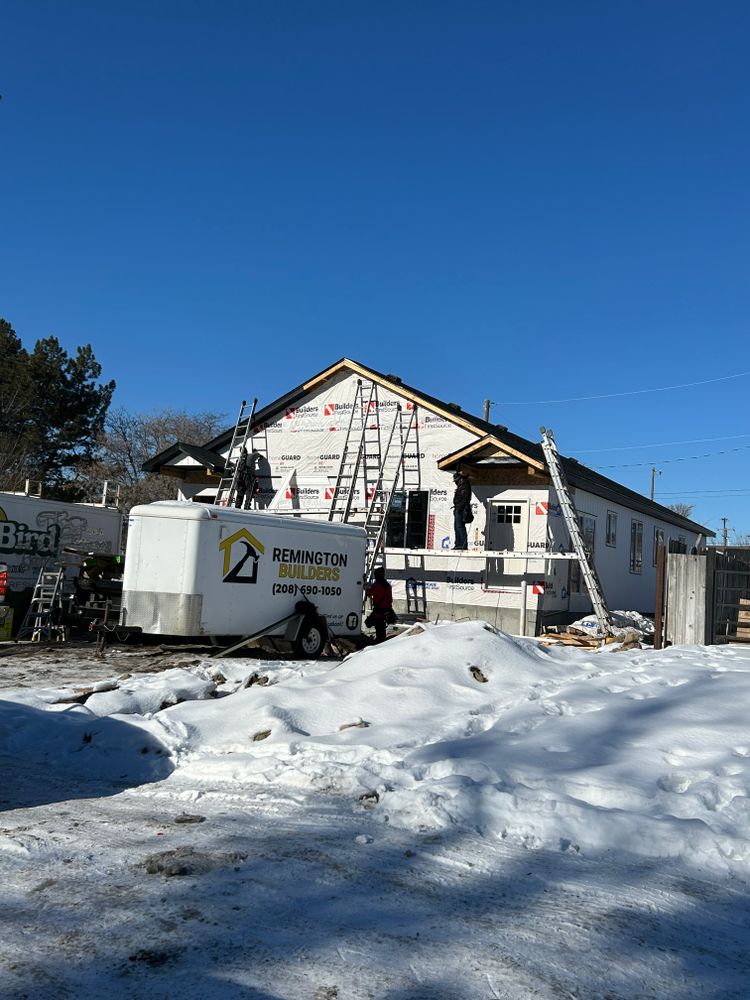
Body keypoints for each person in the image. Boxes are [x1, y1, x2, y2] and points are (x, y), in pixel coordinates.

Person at [365, 566, 393, 643]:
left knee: (373, 624)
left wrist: (366, 587)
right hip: (386, 609)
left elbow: (369, 593)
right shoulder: (388, 585)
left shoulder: (376, 585)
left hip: (378, 609)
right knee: (381, 626)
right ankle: (381, 639)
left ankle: (379, 641)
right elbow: (390, 599)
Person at [452, 470, 473, 550]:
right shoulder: (461, 486)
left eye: (456, 481)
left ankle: (463, 545)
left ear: (460, 479)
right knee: (456, 527)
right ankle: (458, 544)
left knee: (460, 527)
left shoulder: (465, 486)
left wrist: (459, 509)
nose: (455, 482)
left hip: (461, 510)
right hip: (458, 509)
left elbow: (465, 500)